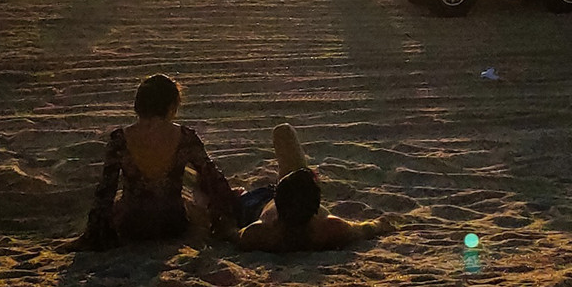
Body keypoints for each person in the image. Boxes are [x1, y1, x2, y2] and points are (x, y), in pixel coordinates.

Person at [68, 74, 239, 251]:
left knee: (121, 200)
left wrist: (95, 231)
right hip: (172, 222)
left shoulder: (120, 139)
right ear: (171, 105)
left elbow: (105, 191)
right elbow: (212, 177)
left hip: (131, 224)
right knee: (193, 199)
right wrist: (227, 210)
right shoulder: (185, 137)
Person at [236, 123, 393, 252]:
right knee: (283, 132)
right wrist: (381, 223)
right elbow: (365, 229)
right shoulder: (328, 229)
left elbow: (230, 233)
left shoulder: (262, 233)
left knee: (283, 131)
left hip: (257, 203)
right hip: (282, 201)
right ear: (316, 207)